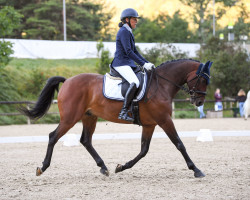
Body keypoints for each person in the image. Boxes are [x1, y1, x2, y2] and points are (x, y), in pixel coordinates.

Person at [111, 8, 155, 122]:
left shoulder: (128, 31)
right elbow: (129, 52)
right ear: (127, 20)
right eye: (134, 19)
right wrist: (143, 64)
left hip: (127, 63)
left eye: (136, 19)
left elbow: (135, 51)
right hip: (121, 63)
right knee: (134, 82)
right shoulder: (123, 32)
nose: (136, 21)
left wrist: (146, 63)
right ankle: (123, 111)